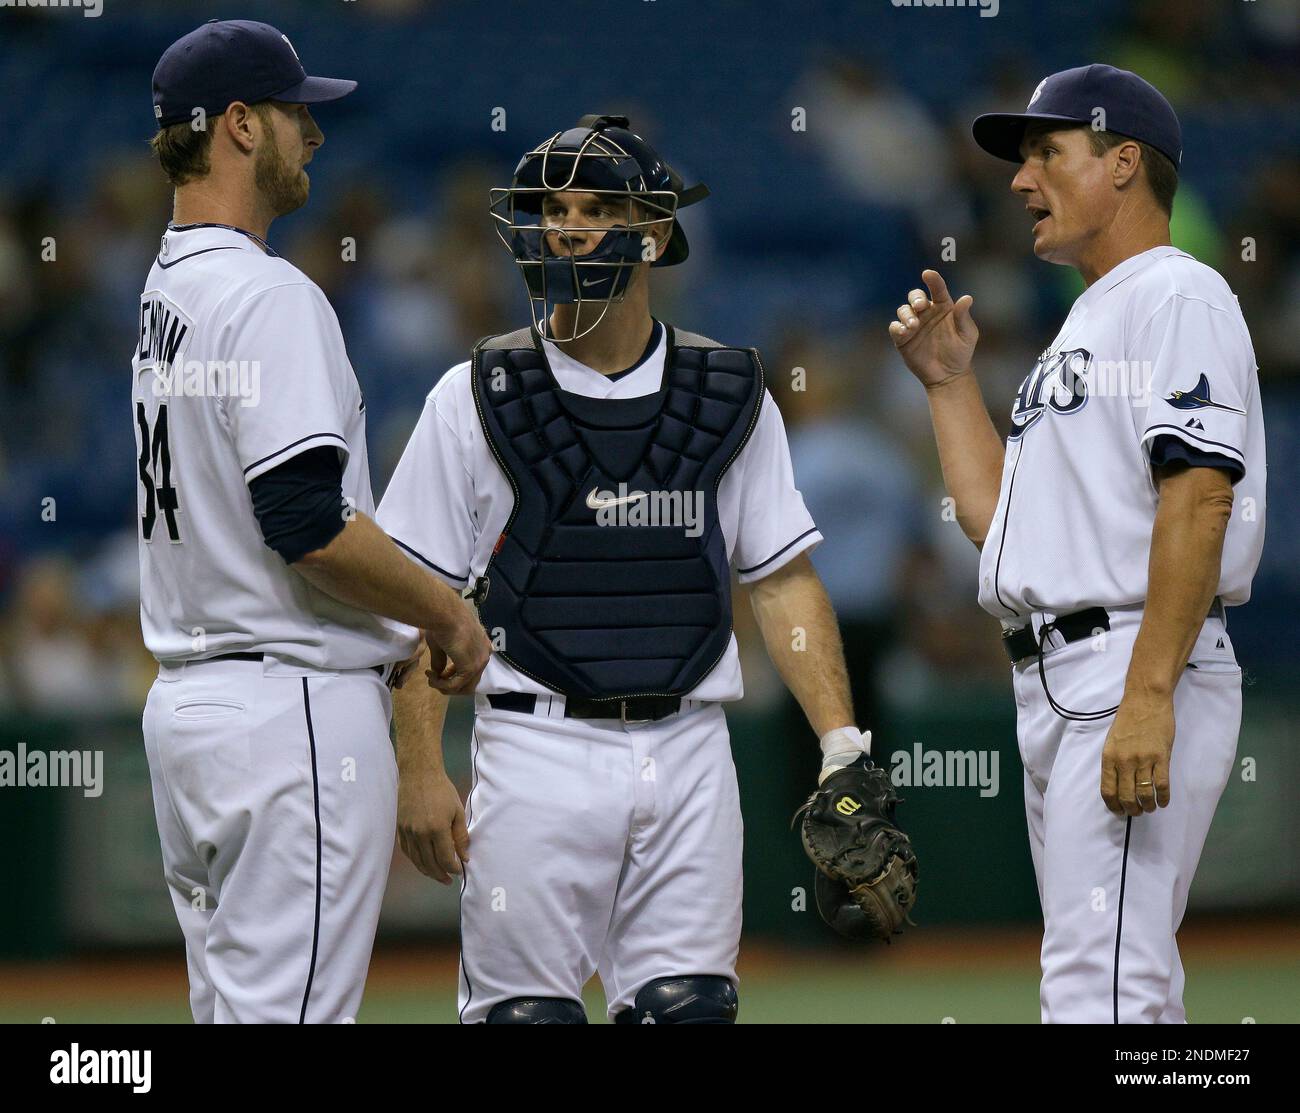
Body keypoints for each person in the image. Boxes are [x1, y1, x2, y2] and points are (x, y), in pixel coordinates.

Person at [379, 115, 887, 1023]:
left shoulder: (729, 390)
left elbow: (781, 578)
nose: (568, 226)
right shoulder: (475, 393)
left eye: (600, 207)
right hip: (535, 747)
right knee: (524, 1018)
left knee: (691, 1012)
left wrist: (842, 743)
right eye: (552, 208)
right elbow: (418, 596)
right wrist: (419, 766)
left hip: (692, 750)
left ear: (653, 232)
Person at [889, 65, 1265, 1022]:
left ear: (1125, 162)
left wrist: (1146, 693)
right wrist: (946, 385)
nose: (1020, 181)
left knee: (1099, 992)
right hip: (1063, 676)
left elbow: (1200, 504)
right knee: (1119, 983)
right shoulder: (1089, 320)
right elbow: (999, 521)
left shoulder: (1177, 293)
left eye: (1047, 152)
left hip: (1132, 660)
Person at [134, 19, 489, 1023]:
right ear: (241, 127)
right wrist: (447, 614)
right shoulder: (266, 295)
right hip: (285, 712)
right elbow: (307, 523)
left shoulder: (166, 290)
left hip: (192, 712)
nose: (313, 136)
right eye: (297, 115)